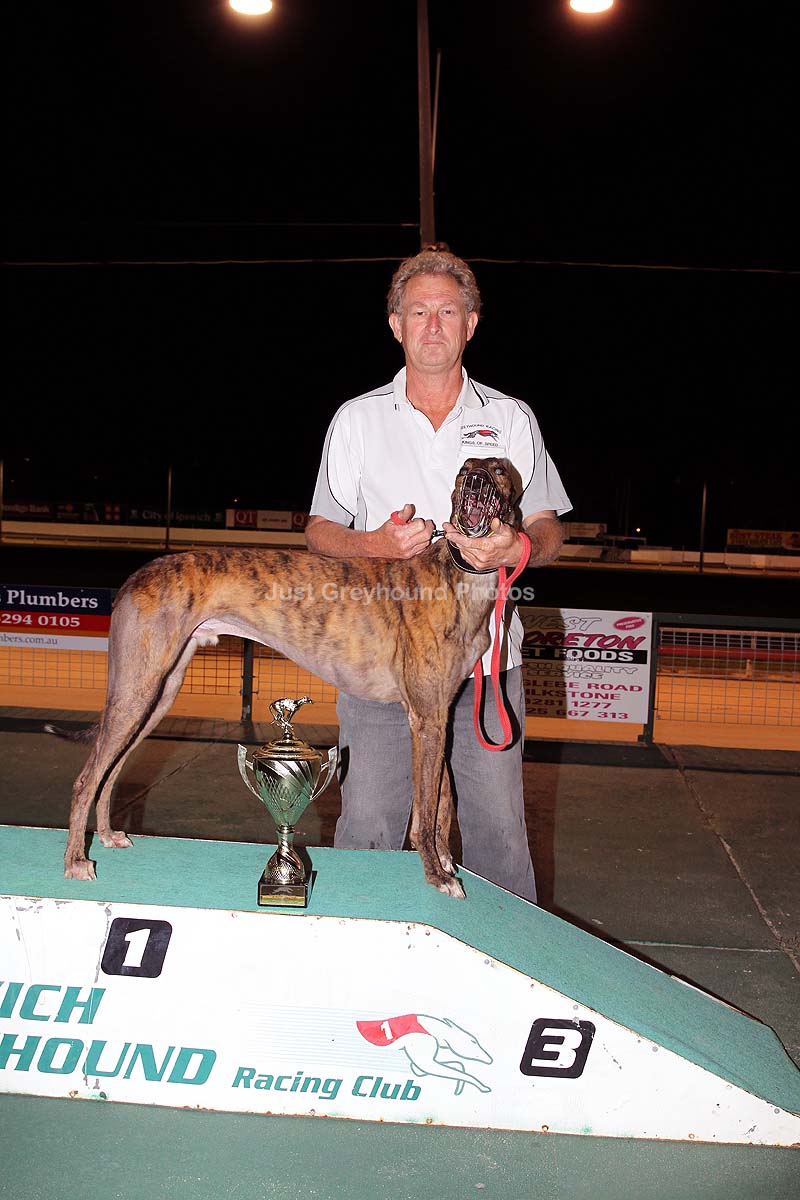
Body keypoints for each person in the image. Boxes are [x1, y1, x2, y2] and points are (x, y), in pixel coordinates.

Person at [305, 249, 571, 901]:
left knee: (500, 840)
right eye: (418, 312)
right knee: (369, 827)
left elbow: (550, 531)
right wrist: (374, 543)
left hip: (487, 667)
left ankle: (509, 955)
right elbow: (319, 531)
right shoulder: (357, 419)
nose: (432, 325)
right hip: (381, 669)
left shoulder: (511, 418)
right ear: (395, 324)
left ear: (471, 323)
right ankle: (357, 943)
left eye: (447, 312)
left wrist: (514, 547)